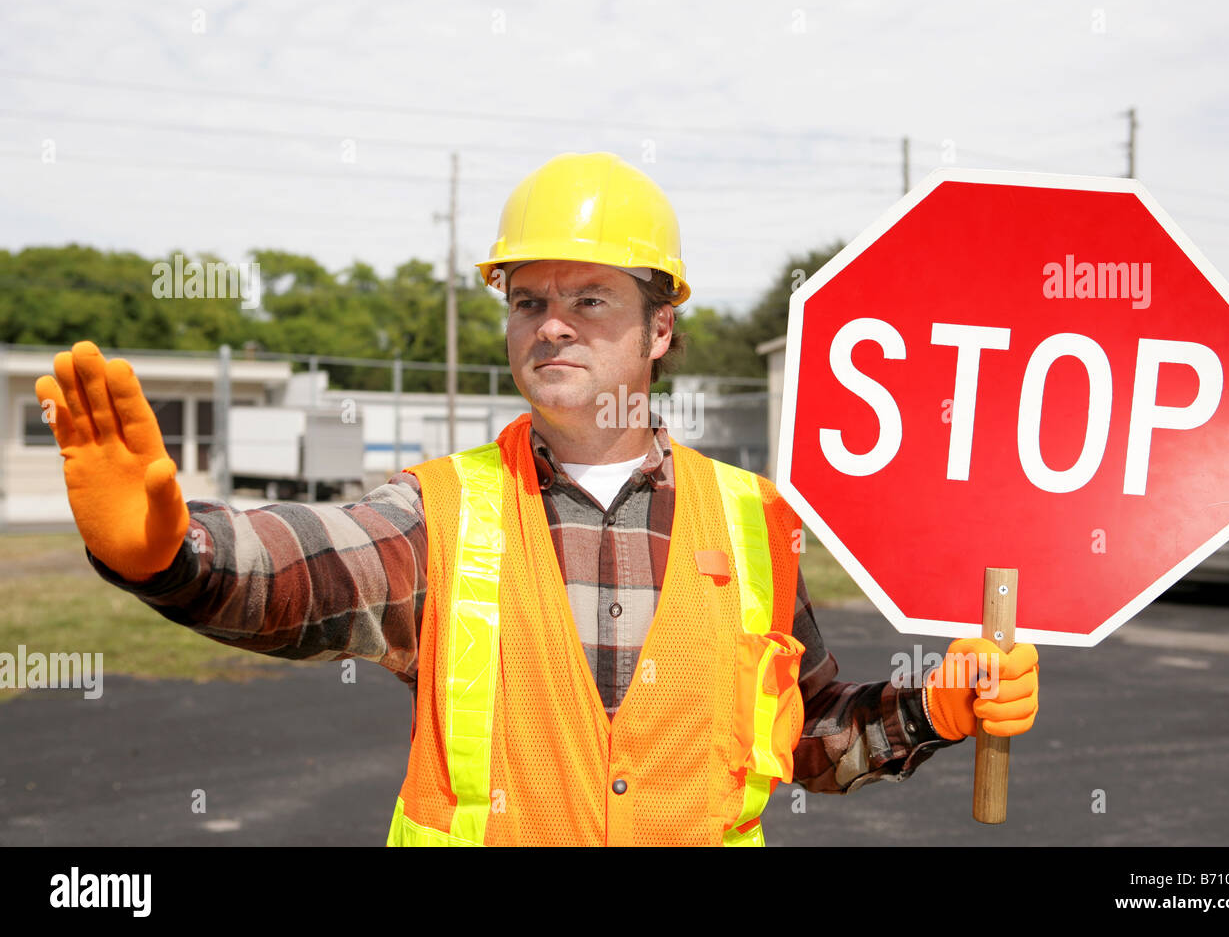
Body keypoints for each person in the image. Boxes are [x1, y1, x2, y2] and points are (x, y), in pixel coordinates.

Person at [35, 151, 1039, 847]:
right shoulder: (441, 514)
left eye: (588, 297)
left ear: (659, 328)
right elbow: (299, 560)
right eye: (527, 301)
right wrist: (170, 552)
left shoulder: (751, 523)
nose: (549, 325)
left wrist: (936, 704)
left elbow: (806, 735)